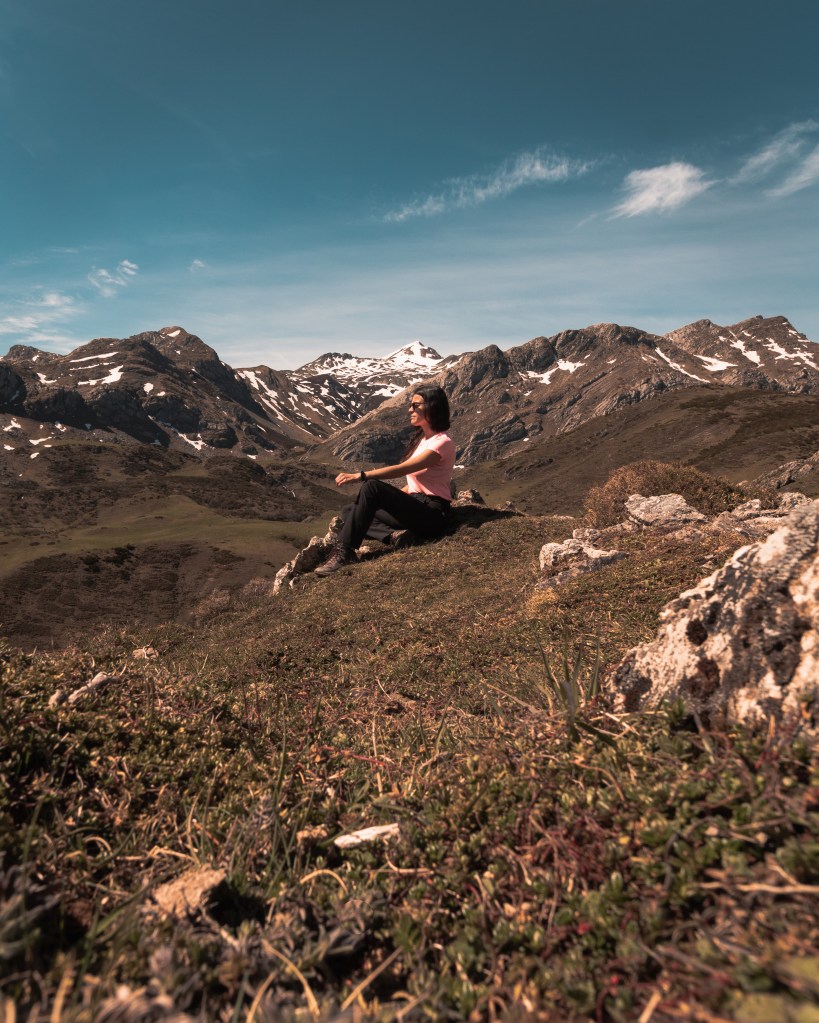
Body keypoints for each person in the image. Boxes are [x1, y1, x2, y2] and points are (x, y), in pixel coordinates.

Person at [315, 384, 455, 576]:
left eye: (415, 405)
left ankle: (344, 553)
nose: (410, 410)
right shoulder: (423, 439)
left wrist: (360, 476)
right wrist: (394, 500)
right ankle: (395, 537)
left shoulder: (443, 442)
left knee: (372, 487)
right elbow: (416, 483)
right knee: (350, 511)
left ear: (432, 406)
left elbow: (404, 469)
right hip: (415, 507)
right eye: (410, 405)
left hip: (433, 515)